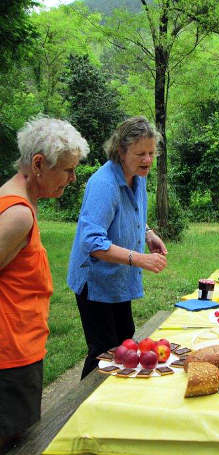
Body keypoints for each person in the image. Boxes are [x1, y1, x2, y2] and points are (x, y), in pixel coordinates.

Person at [0, 116, 89, 451]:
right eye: (67, 170)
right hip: (9, 359)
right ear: (39, 164)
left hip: (20, 351)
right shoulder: (18, 213)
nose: (72, 178)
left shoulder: (21, 202)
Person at [67, 116, 167, 380]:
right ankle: (77, 410)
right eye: (140, 154)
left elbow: (130, 213)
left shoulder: (137, 175)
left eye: (151, 152)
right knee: (104, 352)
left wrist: (148, 233)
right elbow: (92, 243)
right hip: (96, 282)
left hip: (118, 278)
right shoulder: (104, 184)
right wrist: (140, 259)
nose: (147, 159)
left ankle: (115, 405)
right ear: (121, 151)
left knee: (124, 344)